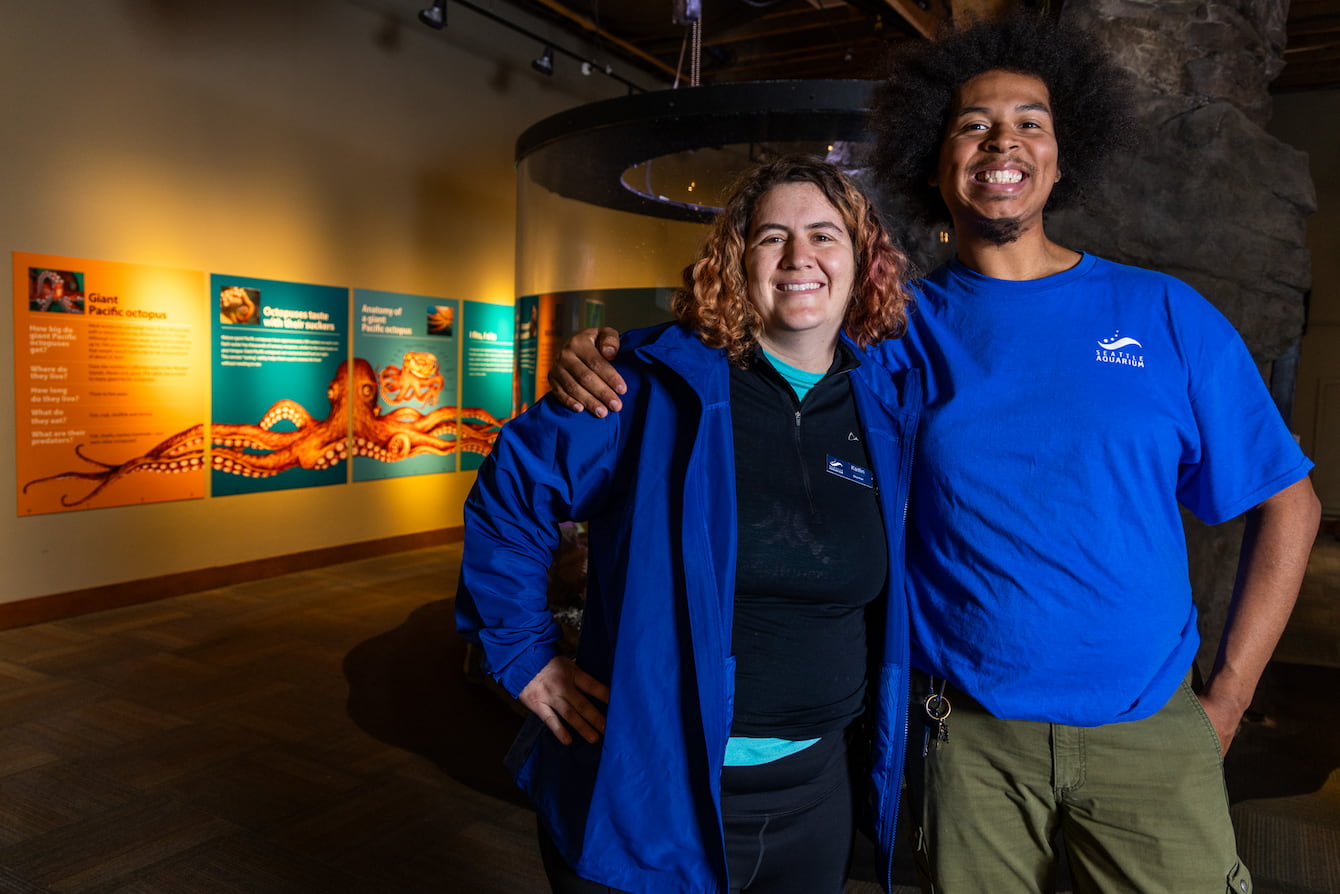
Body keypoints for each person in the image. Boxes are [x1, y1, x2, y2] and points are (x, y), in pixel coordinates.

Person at [545, 15, 1321, 894]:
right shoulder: (897, 329)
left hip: (1147, 733)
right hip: (968, 740)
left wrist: (1228, 698)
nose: (1004, 142)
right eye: (973, 124)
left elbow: (1288, 503)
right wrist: (619, 354)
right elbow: (762, 339)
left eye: (1032, 122)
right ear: (935, 158)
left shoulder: (1164, 315)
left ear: (1064, 159)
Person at [457, 156, 921, 893]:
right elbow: (513, 488)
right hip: (654, 788)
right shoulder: (648, 386)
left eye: (825, 235)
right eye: (773, 237)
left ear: (863, 261)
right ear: (739, 261)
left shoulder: (888, 402)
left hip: (816, 793)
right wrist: (523, 656)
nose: (800, 258)